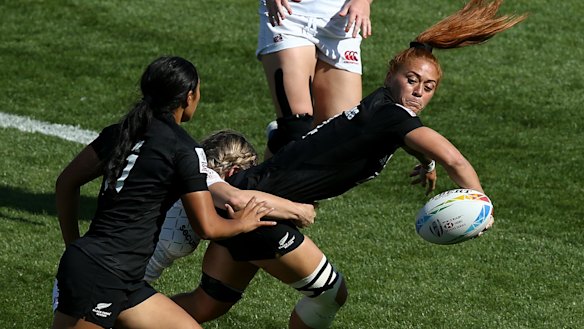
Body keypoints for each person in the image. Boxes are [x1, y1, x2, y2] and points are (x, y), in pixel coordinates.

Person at [156, 1, 526, 328]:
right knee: (331, 295)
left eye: (428, 87)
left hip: (250, 196)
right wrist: (481, 205)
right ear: (389, 77)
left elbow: (418, 143)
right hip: (262, 214)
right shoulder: (395, 119)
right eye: (411, 80)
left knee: (208, 304)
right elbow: (455, 159)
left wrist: (425, 163)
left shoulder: (383, 106)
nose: (418, 91)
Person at [51, 56, 278, 329]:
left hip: (124, 279)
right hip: (103, 275)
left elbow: (66, 182)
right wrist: (242, 223)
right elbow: (207, 227)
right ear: (189, 96)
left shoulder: (121, 132)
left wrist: (73, 246)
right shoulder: (185, 151)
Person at [258, 0, 374, 158]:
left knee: (341, 138)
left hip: (341, 21)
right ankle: (257, 181)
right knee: (296, 128)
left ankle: (278, 138)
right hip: (288, 14)